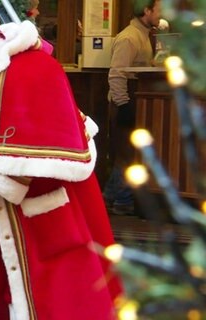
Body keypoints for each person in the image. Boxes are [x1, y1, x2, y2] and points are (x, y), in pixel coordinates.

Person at [0, 10, 123, 320]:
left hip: (50, 209)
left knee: (63, 299)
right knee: (12, 294)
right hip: (5, 214)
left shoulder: (34, 71)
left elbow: (51, 157)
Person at [105, 0, 162, 215]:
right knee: (128, 153)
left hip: (133, 100)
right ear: (146, 11)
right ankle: (122, 201)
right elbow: (116, 74)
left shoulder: (145, 35)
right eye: (158, 10)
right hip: (125, 101)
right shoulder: (129, 37)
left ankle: (111, 196)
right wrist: (124, 105)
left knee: (127, 153)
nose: (161, 14)